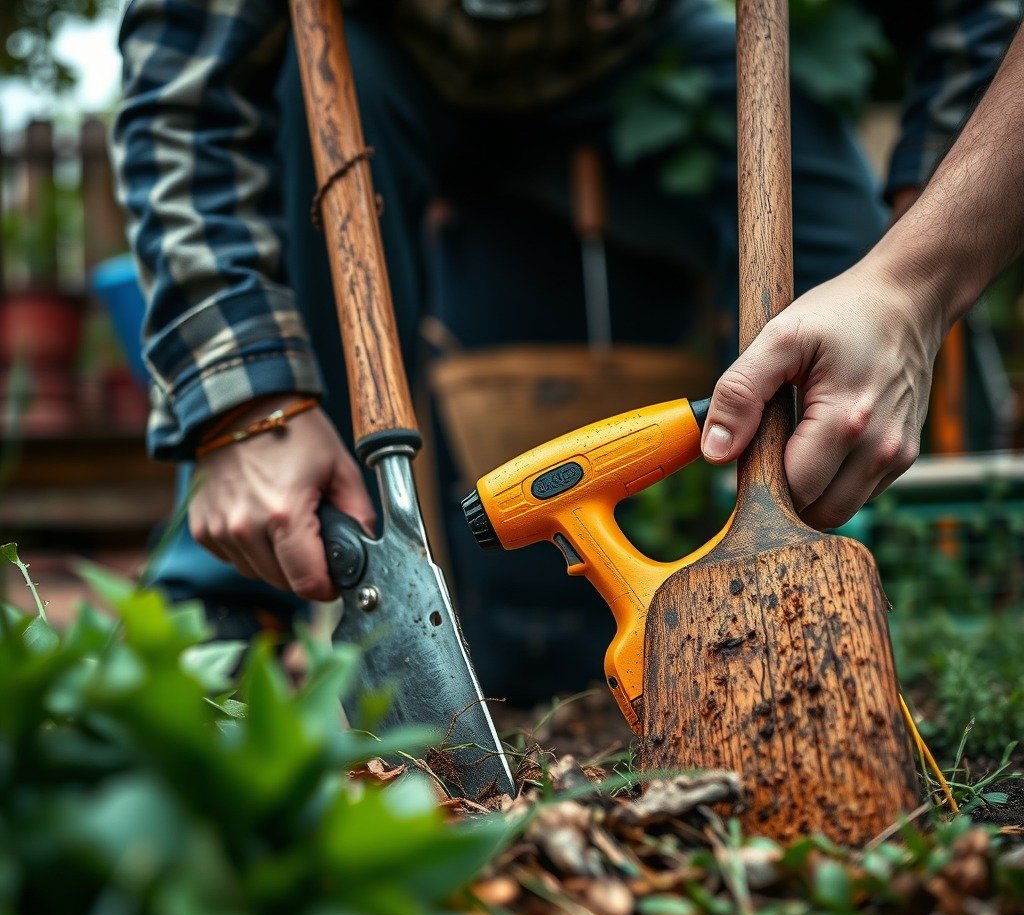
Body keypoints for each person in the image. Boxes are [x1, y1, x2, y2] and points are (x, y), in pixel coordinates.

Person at [112, 0, 1017, 704]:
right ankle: (226, 588)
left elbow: (976, 20)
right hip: (385, 63)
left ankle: (829, 581)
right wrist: (241, 408)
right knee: (302, 126)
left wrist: (912, 275)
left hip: (639, 61)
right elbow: (184, 93)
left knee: (840, 235)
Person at [702, 18, 1024, 528]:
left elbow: (977, 19)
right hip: (537, 100)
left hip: (643, 42)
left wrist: (909, 286)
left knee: (847, 276)